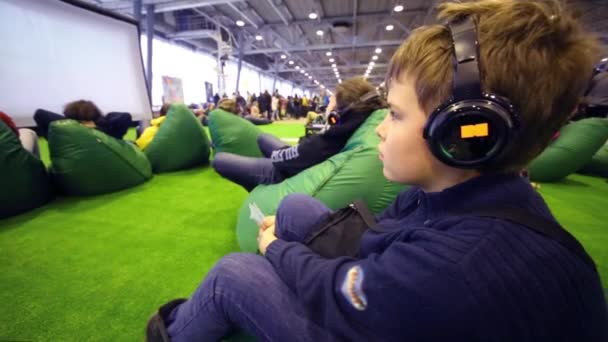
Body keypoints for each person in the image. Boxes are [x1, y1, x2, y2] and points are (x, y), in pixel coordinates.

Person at [146, 1, 608, 341]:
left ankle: (174, 330)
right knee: (296, 207)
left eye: (397, 115)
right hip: (413, 304)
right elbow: (377, 240)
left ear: (466, 132)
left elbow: (338, 289)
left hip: (394, 314)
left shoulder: (453, 267)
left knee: (234, 273)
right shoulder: (471, 193)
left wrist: (278, 251)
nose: (381, 131)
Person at [211, 77, 386, 191]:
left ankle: (261, 190)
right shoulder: (355, 125)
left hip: (292, 173)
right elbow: (307, 149)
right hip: (303, 160)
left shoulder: (332, 137)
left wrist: (278, 157)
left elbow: (297, 156)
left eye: (331, 104)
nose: (327, 109)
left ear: (340, 112)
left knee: (220, 160)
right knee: (263, 138)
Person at [33, 100, 131, 140]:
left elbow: (125, 116)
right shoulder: (64, 136)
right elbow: (40, 114)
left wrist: (97, 125)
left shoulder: (107, 132)